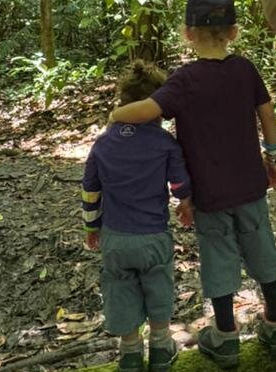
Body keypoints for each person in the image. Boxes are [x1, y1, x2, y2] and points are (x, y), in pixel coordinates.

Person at [109, 0, 276, 369]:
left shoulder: (184, 81)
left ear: (187, 33)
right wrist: (272, 156)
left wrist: (117, 116)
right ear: (234, 32)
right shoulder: (244, 69)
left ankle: (225, 338)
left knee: (219, 260)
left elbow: (148, 110)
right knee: (263, 251)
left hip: (210, 194)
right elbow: (267, 111)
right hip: (251, 187)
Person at [83, 60, 193, 372]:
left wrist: (92, 227)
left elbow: (91, 190)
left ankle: (130, 353)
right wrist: (186, 202)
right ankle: (161, 347)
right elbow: (179, 184)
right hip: (152, 236)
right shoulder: (164, 143)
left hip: (114, 237)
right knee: (158, 283)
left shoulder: (103, 144)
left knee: (119, 288)